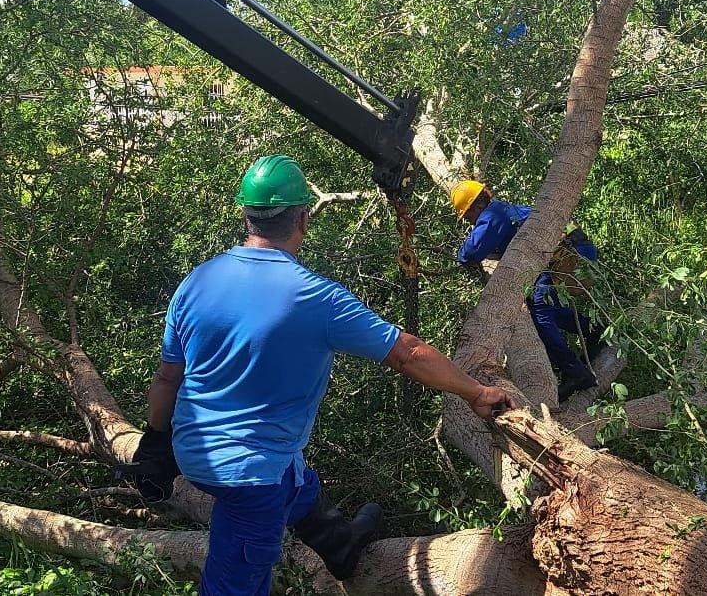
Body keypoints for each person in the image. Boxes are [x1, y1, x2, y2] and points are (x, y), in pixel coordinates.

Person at [131, 155, 516, 596]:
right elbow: (408, 354)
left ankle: (338, 541)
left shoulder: (197, 281)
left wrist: (156, 441)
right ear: (303, 218)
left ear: (245, 214)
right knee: (233, 583)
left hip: (192, 449)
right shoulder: (315, 297)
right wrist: (475, 392)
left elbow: (166, 380)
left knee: (292, 472)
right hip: (248, 476)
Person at [450, 179, 606, 403]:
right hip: (568, 252)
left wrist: (464, 255)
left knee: (540, 309)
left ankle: (575, 372)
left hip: (568, 255)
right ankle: (594, 332)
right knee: (547, 307)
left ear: (475, 207)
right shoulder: (503, 209)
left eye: (468, 217)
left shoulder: (493, 216)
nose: (470, 222)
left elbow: (470, 252)